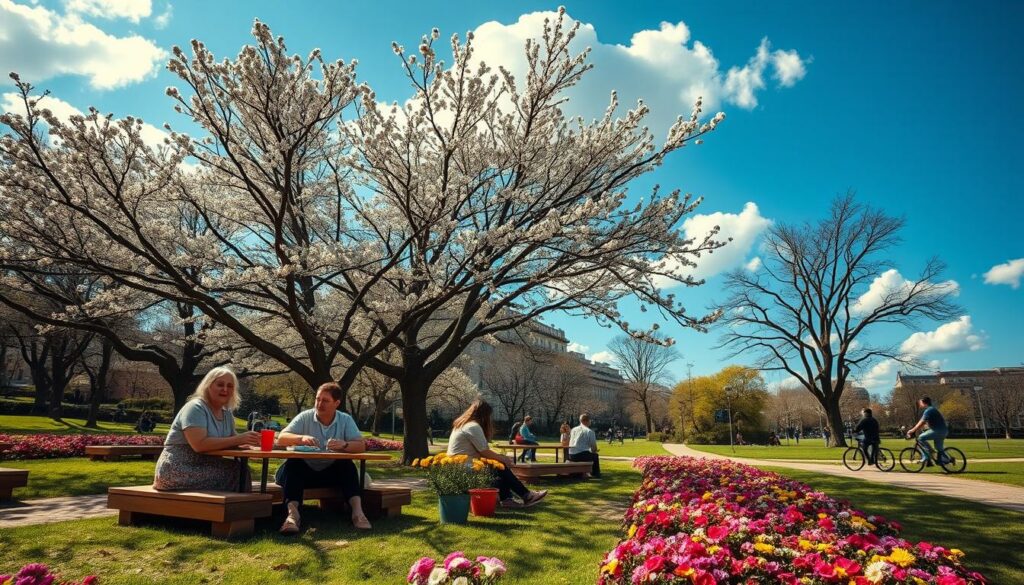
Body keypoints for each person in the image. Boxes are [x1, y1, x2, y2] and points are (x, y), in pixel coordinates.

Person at [275, 382, 371, 534]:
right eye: (318, 399)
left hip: (330, 474)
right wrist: (301, 438)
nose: (319, 404)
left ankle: (358, 514)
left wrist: (344, 445)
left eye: (325, 401)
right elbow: (281, 438)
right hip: (300, 474)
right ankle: (292, 516)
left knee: (347, 465)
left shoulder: (345, 420)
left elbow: (361, 446)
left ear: (337, 403)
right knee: (294, 463)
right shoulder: (304, 417)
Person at [153, 367, 260, 492]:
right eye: (220, 384)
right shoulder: (195, 408)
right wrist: (238, 439)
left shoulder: (226, 413)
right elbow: (199, 444)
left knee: (240, 470)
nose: (225, 389)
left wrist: (249, 444)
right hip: (177, 469)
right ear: (208, 386)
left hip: (208, 465)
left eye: (230, 386)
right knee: (237, 473)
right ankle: (238, 510)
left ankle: (241, 509)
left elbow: (232, 440)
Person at [447, 399, 547, 508]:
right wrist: (502, 458)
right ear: (485, 415)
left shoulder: (462, 425)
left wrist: (500, 458)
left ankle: (510, 498)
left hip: (458, 466)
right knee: (500, 466)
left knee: (498, 466)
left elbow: (482, 452)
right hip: (465, 466)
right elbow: (484, 451)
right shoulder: (473, 426)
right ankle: (524, 495)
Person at [906, 396, 949, 466]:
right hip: (944, 431)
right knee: (939, 448)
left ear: (923, 402)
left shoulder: (928, 410)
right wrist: (923, 429)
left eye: (920, 402)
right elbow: (926, 423)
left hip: (937, 431)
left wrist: (912, 430)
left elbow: (922, 421)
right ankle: (947, 459)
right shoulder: (932, 409)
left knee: (920, 438)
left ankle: (926, 455)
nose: (919, 404)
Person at [568, 414, 601, 479]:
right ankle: (595, 474)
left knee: (588, 454)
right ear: (588, 421)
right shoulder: (589, 431)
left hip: (571, 455)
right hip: (581, 455)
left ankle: (583, 473)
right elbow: (594, 448)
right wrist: (594, 450)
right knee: (595, 456)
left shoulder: (573, 429)